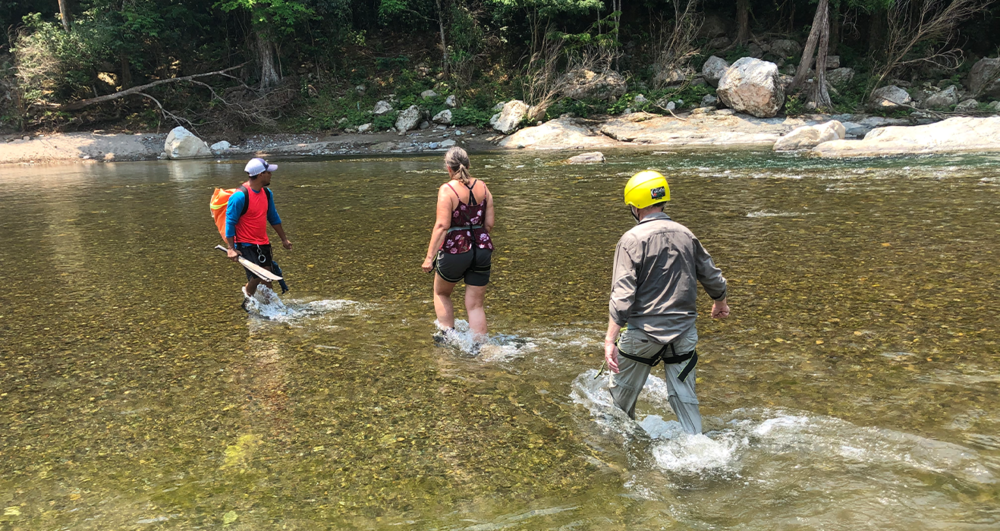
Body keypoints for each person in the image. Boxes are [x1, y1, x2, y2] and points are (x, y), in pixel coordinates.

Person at [603, 170, 730, 435]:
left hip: (642, 336)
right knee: (685, 400)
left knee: (619, 405)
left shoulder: (631, 240)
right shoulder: (686, 234)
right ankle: (698, 447)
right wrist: (720, 302)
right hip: (683, 334)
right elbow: (711, 275)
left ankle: (623, 452)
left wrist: (609, 341)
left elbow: (623, 295)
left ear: (635, 205)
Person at [421, 146, 495, 341]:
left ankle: (448, 337)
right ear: (469, 164)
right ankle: (479, 346)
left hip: (456, 248)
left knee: (441, 293)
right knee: (476, 305)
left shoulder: (447, 189)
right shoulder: (483, 187)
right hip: (482, 248)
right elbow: (489, 224)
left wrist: (429, 258)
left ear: (448, 168)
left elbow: (441, 225)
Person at [225, 157, 293, 300]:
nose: (271, 175)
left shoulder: (267, 194)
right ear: (261, 174)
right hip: (245, 244)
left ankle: (271, 306)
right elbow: (230, 222)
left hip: (263, 243)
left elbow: (273, 218)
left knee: (267, 278)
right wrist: (231, 249)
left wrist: (284, 239)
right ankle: (248, 298)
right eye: (269, 172)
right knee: (257, 276)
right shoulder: (239, 196)